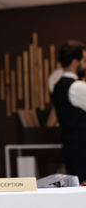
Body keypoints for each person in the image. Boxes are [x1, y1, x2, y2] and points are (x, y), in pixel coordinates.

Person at [51, 40, 86, 183]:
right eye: (84, 61)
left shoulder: (58, 85)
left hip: (71, 149)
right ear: (75, 62)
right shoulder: (77, 87)